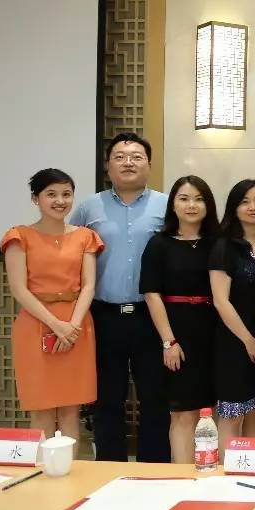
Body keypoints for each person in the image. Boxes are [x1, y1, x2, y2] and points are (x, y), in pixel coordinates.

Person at [69, 132, 170, 462]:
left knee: (155, 398)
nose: (129, 162)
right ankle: (108, 468)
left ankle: (154, 470)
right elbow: (69, 252)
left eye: (137, 157)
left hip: (152, 316)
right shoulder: (89, 208)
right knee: (107, 399)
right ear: (108, 165)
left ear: (149, 165)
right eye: (120, 156)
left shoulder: (167, 206)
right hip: (103, 316)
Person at [1, 169, 104, 451]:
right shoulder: (19, 236)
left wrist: (72, 325)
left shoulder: (85, 236)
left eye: (66, 194)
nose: (60, 201)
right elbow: (19, 290)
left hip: (78, 325)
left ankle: (68, 470)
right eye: (51, 194)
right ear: (35, 199)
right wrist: (58, 326)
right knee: (41, 408)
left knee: (71, 409)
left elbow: (89, 286)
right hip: (36, 324)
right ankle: (42, 471)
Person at [141, 175, 220, 464]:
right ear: (172, 205)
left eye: (199, 199)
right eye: (184, 199)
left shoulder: (218, 243)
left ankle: (210, 473)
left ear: (208, 205)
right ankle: (184, 476)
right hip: (176, 334)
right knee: (183, 413)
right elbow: (151, 294)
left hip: (213, 333)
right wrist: (169, 342)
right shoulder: (159, 244)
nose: (191, 205)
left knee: (212, 411)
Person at [210, 180, 255, 453]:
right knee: (232, 414)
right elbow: (220, 300)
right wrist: (248, 340)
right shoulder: (224, 246)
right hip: (234, 341)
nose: (253, 206)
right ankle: (226, 475)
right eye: (245, 201)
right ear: (234, 208)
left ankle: (251, 473)